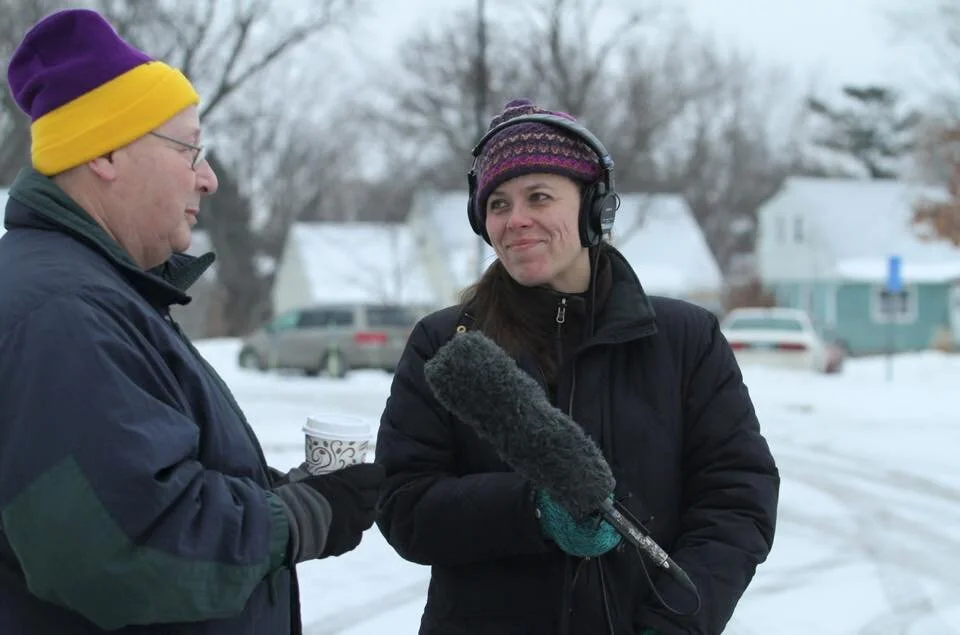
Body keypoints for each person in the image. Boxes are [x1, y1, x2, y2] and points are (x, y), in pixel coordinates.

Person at [0, 9, 383, 635]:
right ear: (107, 154)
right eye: (190, 148)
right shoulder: (62, 316)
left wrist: (276, 491)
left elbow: (142, 477)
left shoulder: (97, 294)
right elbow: (126, 547)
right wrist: (300, 517)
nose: (206, 178)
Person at [375, 98, 780, 635]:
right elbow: (404, 505)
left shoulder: (684, 340)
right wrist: (533, 511)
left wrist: (677, 625)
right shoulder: (446, 342)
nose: (515, 220)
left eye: (538, 197)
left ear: (595, 208)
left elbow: (737, 501)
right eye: (497, 203)